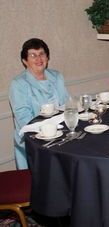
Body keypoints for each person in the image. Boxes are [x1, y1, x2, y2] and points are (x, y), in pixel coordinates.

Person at [9, 38, 69, 169]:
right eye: (33, 55)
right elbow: (23, 118)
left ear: (47, 57)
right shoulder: (18, 84)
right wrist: (49, 130)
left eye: (42, 54)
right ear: (25, 61)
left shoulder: (57, 76)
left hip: (60, 135)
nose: (39, 58)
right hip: (34, 140)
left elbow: (67, 104)